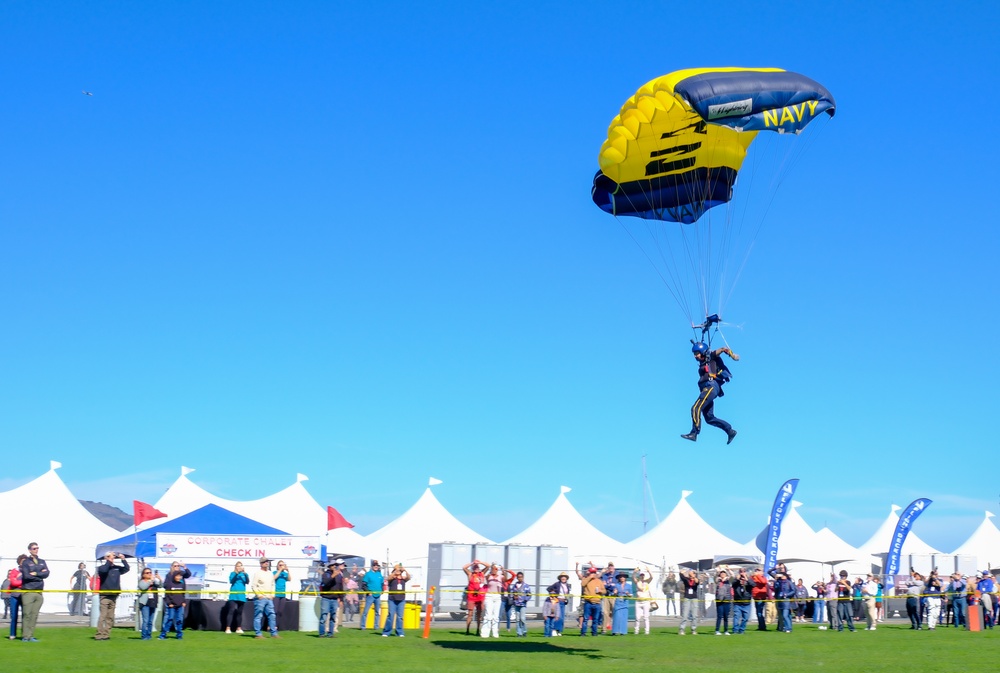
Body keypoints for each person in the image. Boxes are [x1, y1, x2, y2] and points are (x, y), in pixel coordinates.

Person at [680, 342, 739, 444]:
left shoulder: (710, 357)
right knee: (709, 418)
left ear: (703, 352)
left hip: (710, 387)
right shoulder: (704, 362)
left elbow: (722, 349)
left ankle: (694, 433)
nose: (695, 356)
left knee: (695, 408)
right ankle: (729, 430)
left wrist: (732, 355)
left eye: (697, 353)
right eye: (694, 354)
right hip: (707, 389)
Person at [95, 551, 130, 640]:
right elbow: (104, 570)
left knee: (110, 617)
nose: (112, 558)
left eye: (113, 556)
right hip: (105, 596)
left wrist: (123, 559)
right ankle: (99, 634)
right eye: (110, 556)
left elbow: (126, 569)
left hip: (114, 596)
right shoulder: (101, 568)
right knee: (103, 616)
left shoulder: (116, 568)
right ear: (105, 558)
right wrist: (108, 560)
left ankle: (106, 634)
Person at [19, 542, 49, 642]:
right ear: (30, 550)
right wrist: (40, 575)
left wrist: (36, 573)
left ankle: (31, 635)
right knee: (27, 614)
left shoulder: (42, 561)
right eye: (34, 548)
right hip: (28, 591)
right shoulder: (26, 562)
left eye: (37, 548)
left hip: (39, 591)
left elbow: (47, 573)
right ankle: (25, 636)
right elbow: (27, 576)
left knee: (34, 615)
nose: (36, 550)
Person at [159, 561, 191, 639]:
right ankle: (164, 633)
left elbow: (188, 574)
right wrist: (169, 602)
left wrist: (184, 567)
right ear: (172, 567)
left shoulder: (182, 575)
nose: (177, 567)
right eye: (175, 566)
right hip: (171, 601)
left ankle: (179, 634)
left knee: (179, 619)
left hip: (180, 601)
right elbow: (166, 588)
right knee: (169, 618)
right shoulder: (169, 576)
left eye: (178, 566)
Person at [481, 563, 513, 638]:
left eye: (496, 569)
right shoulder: (489, 576)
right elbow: (484, 575)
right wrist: (491, 569)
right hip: (489, 596)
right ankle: (485, 633)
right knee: (488, 615)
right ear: (492, 569)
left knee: (496, 616)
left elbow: (505, 579)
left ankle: (495, 633)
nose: (496, 570)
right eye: (494, 569)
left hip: (497, 596)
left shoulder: (500, 576)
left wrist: (503, 570)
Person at [251, 557, 280, 638]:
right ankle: (258, 634)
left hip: (269, 598)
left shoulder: (270, 573)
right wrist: (259, 594)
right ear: (261, 564)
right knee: (258, 616)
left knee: (272, 615)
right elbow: (253, 585)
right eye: (264, 562)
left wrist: (273, 594)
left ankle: (274, 633)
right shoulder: (258, 573)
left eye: (267, 562)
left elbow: (273, 584)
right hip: (260, 598)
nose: (266, 563)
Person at [382, 564, 410, 637]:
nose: (398, 571)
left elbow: (409, 577)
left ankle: (399, 632)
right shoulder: (392, 578)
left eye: (399, 570)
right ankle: (386, 632)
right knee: (391, 615)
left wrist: (405, 570)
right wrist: (395, 571)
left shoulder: (403, 579)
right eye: (397, 570)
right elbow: (388, 578)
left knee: (400, 617)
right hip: (392, 599)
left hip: (401, 600)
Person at [6, 554, 27, 640]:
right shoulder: (14, 571)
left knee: (25, 616)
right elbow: (13, 583)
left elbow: (28, 582)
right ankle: (12, 634)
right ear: (19, 562)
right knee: (14, 616)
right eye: (22, 561)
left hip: (24, 596)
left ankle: (24, 635)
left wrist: (19, 581)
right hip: (14, 596)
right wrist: (21, 582)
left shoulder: (27, 571)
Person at [137, 567, 162, 640]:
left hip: (153, 602)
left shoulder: (153, 582)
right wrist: (150, 581)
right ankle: (144, 635)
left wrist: (159, 579)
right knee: (146, 620)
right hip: (145, 603)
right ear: (143, 575)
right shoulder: (142, 581)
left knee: (151, 621)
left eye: (150, 572)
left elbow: (160, 585)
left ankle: (149, 635)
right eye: (147, 573)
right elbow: (143, 587)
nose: (149, 574)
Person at [225, 561, 250, 634]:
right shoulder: (233, 573)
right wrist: (236, 573)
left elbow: (247, 582)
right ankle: (228, 628)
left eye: (241, 566)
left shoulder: (244, 574)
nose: (239, 567)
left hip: (241, 596)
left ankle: (238, 628)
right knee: (231, 611)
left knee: (239, 612)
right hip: (234, 595)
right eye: (238, 566)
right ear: (235, 567)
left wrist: (245, 574)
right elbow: (231, 581)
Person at [463, 561, 487, 635]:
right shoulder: (470, 574)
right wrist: (472, 563)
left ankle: (478, 630)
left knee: (479, 614)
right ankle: (467, 630)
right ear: (473, 568)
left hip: (480, 597)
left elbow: (488, 566)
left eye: (477, 567)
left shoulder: (482, 574)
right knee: (470, 614)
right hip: (471, 596)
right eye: (475, 567)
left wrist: (480, 562)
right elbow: (464, 567)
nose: (476, 569)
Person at [319, 562, 342, 637]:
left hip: (335, 599)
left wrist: (341, 598)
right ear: (329, 566)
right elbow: (325, 583)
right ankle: (322, 634)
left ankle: (330, 633)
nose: (335, 566)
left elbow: (340, 587)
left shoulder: (339, 575)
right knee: (324, 616)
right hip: (326, 598)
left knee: (333, 617)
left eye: (336, 565)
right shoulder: (326, 574)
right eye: (333, 565)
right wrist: (333, 576)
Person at [580, 567, 605, 636]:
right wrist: (589, 578)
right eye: (591, 572)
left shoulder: (599, 581)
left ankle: (594, 632)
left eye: (594, 573)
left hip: (597, 603)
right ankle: (583, 633)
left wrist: (601, 591)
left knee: (595, 619)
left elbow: (604, 591)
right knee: (585, 619)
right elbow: (582, 584)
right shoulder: (586, 579)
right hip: (588, 602)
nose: (593, 574)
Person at [546, 571, 572, 637]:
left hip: (563, 602)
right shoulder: (557, 584)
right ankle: (554, 629)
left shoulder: (567, 585)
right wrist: (553, 596)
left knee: (562, 617)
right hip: (557, 601)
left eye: (565, 577)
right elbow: (548, 589)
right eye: (562, 577)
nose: (563, 578)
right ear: (560, 578)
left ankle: (559, 631)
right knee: (557, 616)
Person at [360, 560, 385, 630]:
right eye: (374, 565)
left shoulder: (379, 574)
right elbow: (363, 585)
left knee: (377, 612)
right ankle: (363, 626)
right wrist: (368, 592)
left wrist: (382, 590)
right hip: (370, 595)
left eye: (377, 565)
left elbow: (382, 583)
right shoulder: (368, 574)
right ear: (372, 566)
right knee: (365, 611)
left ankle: (376, 626)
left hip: (378, 595)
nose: (376, 567)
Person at [508, 571, 531, 637]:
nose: (520, 578)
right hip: (516, 604)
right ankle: (519, 632)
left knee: (522, 618)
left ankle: (524, 631)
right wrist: (513, 597)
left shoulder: (526, 586)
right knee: (517, 619)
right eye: (518, 577)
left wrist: (525, 599)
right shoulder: (514, 586)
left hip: (523, 604)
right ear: (517, 578)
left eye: (521, 577)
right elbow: (511, 594)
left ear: (523, 577)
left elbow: (529, 595)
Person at [731, 568, 753, 634]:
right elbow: (732, 584)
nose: (742, 573)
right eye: (741, 572)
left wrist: (747, 579)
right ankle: (735, 630)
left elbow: (753, 585)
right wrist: (737, 580)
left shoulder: (748, 580)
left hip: (746, 603)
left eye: (744, 571)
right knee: (736, 617)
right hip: (737, 603)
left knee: (745, 618)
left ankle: (742, 630)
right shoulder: (736, 580)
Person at [678, 569, 700, 635]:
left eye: (692, 573)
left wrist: (693, 577)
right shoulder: (686, 579)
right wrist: (684, 571)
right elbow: (681, 575)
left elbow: (697, 582)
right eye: (690, 574)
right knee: (685, 614)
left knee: (694, 615)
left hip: (694, 598)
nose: (690, 575)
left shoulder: (696, 579)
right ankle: (682, 629)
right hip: (687, 598)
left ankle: (693, 629)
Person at [633, 567, 652, 635]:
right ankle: (636, 630)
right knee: (637, 617)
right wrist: (635, 572)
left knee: (646, 617)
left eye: (643, 575)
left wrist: (649, 571)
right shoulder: (638, 582)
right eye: (641, 575)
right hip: (638, 601)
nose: (642, 576)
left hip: (646, 601)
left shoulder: (647, 581)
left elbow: (651, 577)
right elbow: (633, 578)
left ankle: (647, 631)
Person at [714, 569, 733, 635]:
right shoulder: (718, 580)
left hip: (727, 600)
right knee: (719, 616)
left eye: (724, 573)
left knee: (726, 616)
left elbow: (732, 576)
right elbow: (715, 578)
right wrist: (718, 571)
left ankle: (726, 630)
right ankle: (717, 630)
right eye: (721, 573)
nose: (722, 574)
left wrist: (728, 569)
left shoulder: (728, 581)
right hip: (719, 600)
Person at [273, 560, 291, 625]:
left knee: (280, 611)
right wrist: (280, 570)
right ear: (277, 566)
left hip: (283, 595)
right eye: (280, 565)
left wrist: (288, 570)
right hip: (276, 594)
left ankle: (276, 625)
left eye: (282, 565)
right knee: (274, 611)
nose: (281, 566)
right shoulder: (275, 572)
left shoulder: (285, 574)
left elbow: (289, 579)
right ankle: (271, 625)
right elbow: (274, 578)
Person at [750, 567, 769, 631]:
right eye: (757, 570)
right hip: (756, 597)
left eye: (759, 571)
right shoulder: (754, 577)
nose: (757, 572)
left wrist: (758, 575)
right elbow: (751, 582)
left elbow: (763, 582)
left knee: (759, 612)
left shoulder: (763, 577)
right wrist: (753, 576)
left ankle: (762, 626)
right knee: (758, 612)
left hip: (761, 597)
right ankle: (761, 626)